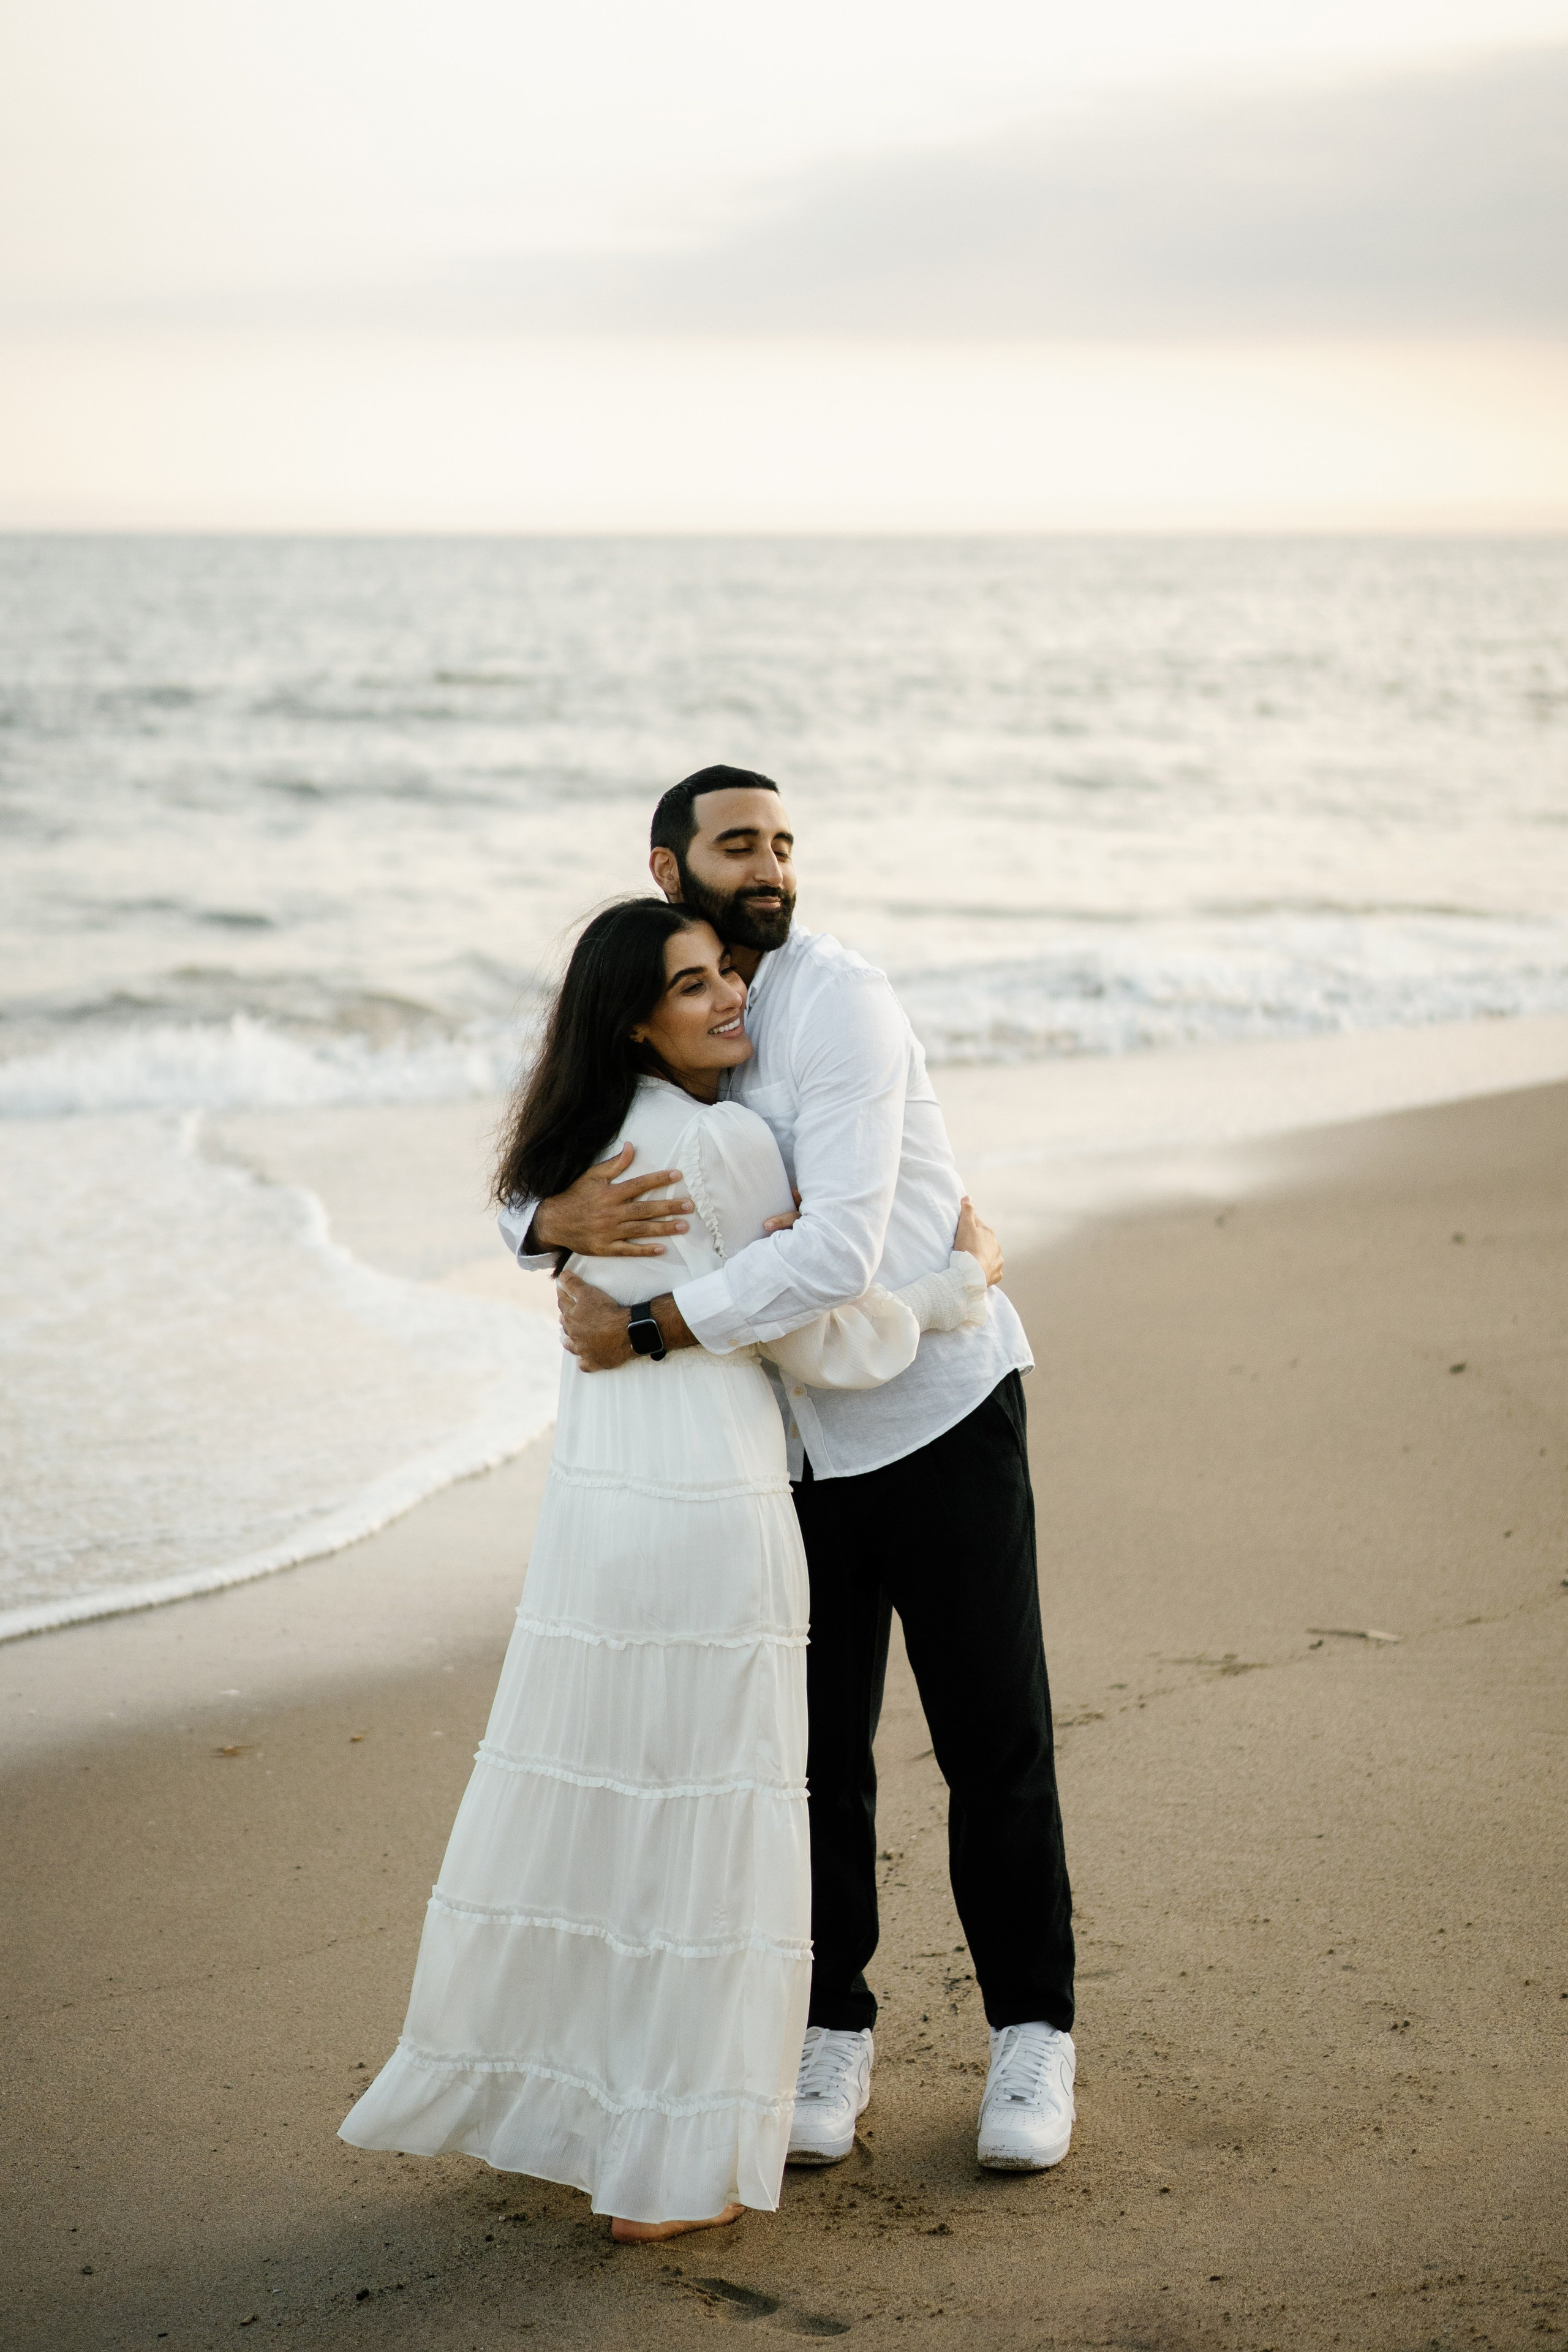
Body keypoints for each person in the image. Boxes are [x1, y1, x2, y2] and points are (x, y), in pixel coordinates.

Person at [341, 896, 997, 2240]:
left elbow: (542, 1230)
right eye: (693, 986)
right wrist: (960, 1284)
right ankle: (663, 2173)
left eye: (723, 978)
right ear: (637, 1017)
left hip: (596, 1515)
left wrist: (551, 1240)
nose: (727, 1002)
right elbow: (822, 1338)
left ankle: (580, 2123)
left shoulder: (569, 1153)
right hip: (710, 1499)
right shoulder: (731, 1141)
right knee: (709, 1816)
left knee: (613, 1799)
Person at [515, 767, 1077, 2177]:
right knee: (812, 1760)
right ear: (668, 868)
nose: (766, 864)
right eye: (732, 844)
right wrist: (540, 1219)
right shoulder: (691, 1016)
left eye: (780, 841)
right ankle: (832, 2029)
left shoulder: (837, 1005)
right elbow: (572, 1138)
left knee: (989, 1746)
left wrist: (641, 1323)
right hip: (789, 1452)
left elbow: (832, 1248)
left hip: (935, 1412)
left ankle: (1031, 2042)